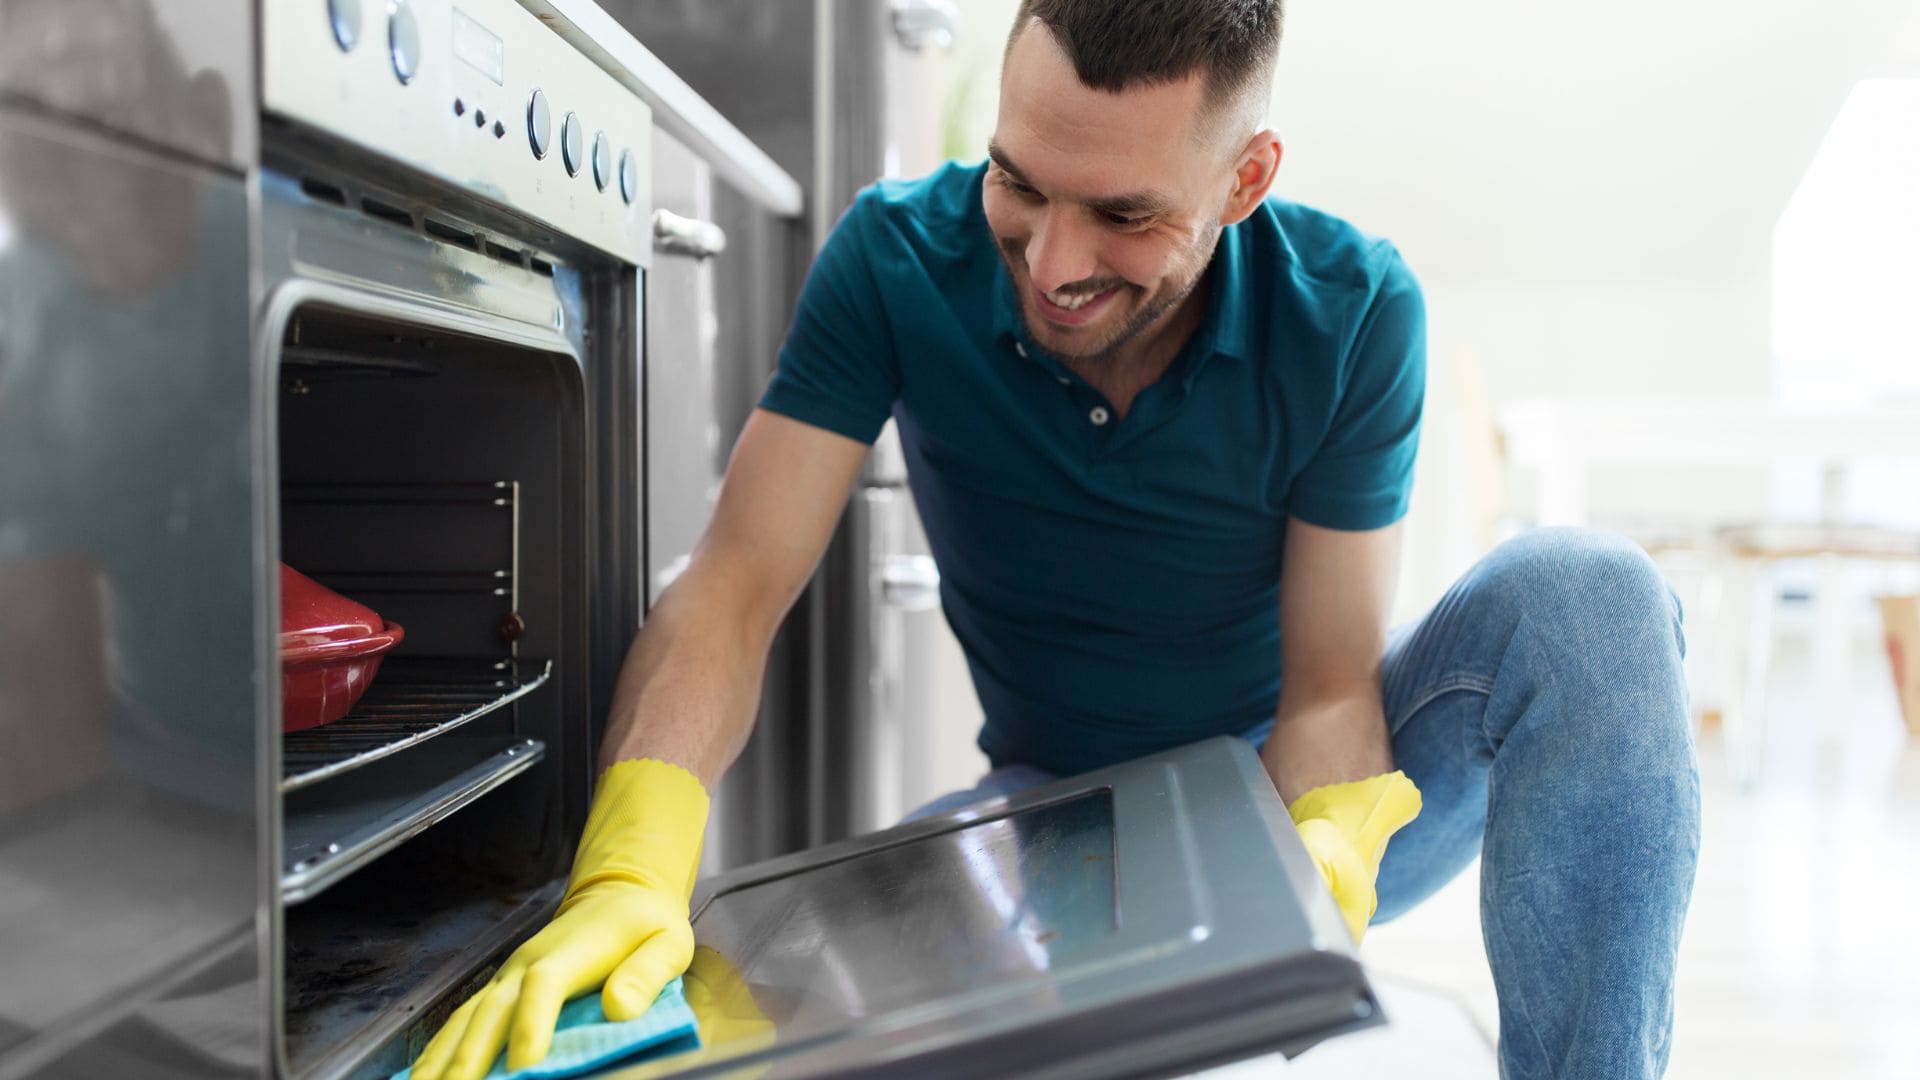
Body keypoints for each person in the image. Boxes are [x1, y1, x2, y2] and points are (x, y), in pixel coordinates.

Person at [412, 2, 1700, 1078]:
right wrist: (630, 864)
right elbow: (735, 587)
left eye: (1125, 216)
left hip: (1299, 794)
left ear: (1244, 180)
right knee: (767, 1029)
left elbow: (1327, 694)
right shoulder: (895, 261)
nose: (1053, 261)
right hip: (1047, 819)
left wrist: (1304, 873)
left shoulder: (1353, 311)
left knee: (1589, 597)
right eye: (1019, 182)